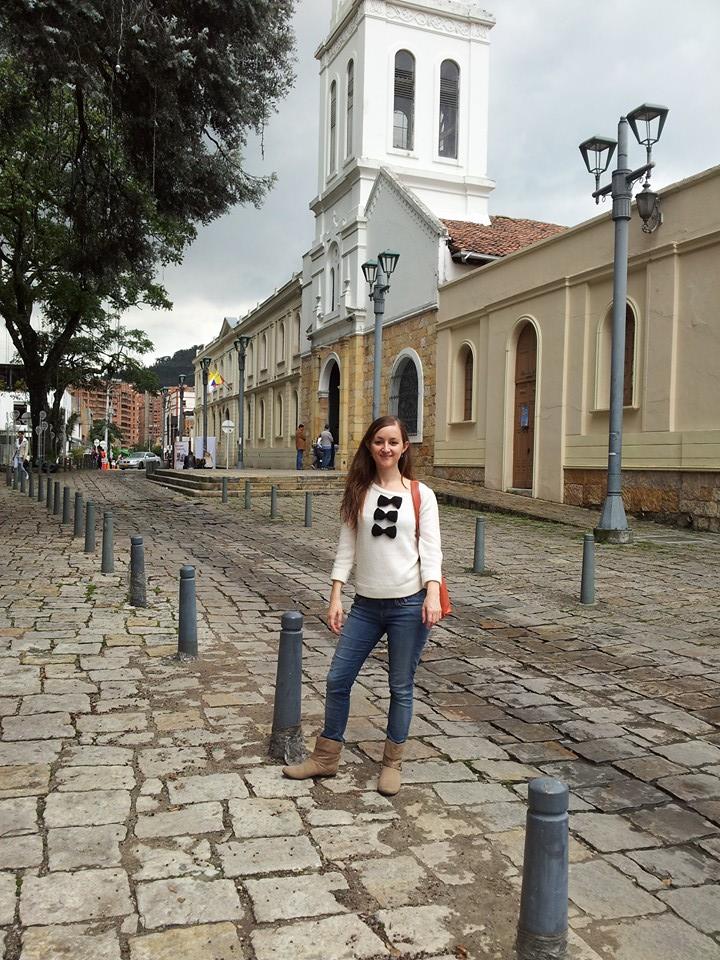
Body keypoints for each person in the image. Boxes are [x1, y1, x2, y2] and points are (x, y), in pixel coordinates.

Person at [283, 415, 443, 796]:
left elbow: (431, 551)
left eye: (393, 442)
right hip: (366, 605)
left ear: (405, 448)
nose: (385, 448)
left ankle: (392, 763)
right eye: (378, 441)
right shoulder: (359, 491)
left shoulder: (421, 494)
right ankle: (326, 757)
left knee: (400, 686)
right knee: (338, 678)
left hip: (409, 604)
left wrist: (433, 593)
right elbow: (346, 548)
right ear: (369, 447)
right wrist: (336, 593)